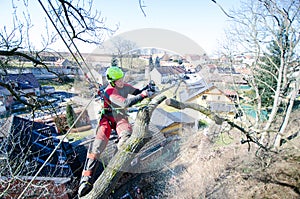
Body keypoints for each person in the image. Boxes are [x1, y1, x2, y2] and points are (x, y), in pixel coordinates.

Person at [78, 66, 154, 197]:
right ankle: (86, 181)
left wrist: (147, 89)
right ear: (112, 81)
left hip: (119, 117)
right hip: (107, 118)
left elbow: (136, 92)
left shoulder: (124, 86)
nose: (121, 82)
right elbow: (125, 103)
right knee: (97, 146)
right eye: (118, 80)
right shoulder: (110, 91)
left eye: (122, 79)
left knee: (126, 136)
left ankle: (119, 161)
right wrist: (143, 95)